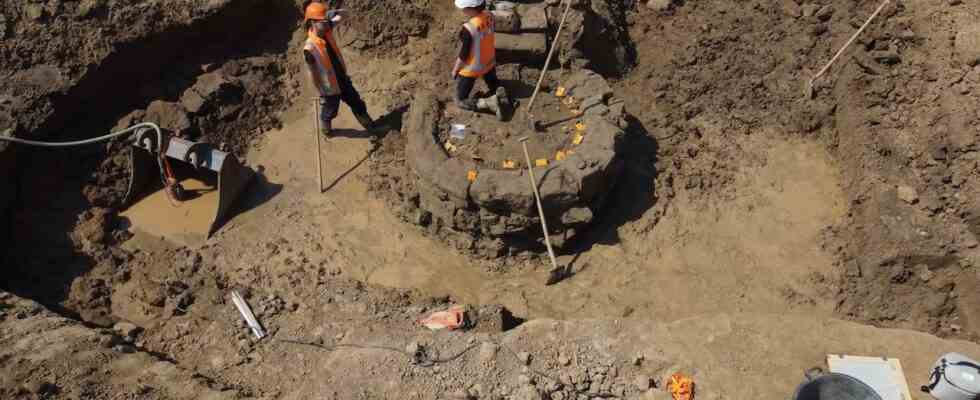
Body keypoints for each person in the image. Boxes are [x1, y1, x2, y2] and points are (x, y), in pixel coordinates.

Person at [303, 1, 376, 136]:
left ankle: (371, 128)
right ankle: (326, 128)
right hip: (329, 88)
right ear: (312, 22)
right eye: (322, 22)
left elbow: (345, 15)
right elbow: (313, 74)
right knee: (330, 111)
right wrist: (321, 92)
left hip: (342, 78)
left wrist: (331, 14)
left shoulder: (327, 27)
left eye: (326, 21)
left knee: (357, 102)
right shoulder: (309, 48)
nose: (326, 24)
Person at [453, 0, 508, 120]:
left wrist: (456, 69)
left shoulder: (468, 29)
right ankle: (499, 91)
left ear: (471, 9)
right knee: (492, 82)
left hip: (472, 69)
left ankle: (489, 103)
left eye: (464, 8)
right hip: (489, 62)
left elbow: (463, 55)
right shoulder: (489, 16)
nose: (462, 10)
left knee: (460, 100)